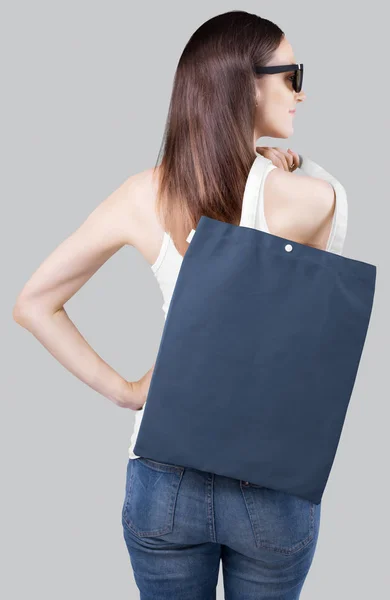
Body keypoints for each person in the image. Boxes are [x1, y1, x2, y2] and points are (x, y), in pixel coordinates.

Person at [13, 10, 339, 600]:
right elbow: (314, 275)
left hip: (165, 471)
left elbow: (33, 303)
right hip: (268, 474)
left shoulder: (145, 193)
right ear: (247, 84)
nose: (302, 91)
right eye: (292, 75)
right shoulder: (307, 199)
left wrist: (129, 392)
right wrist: (278, 169)